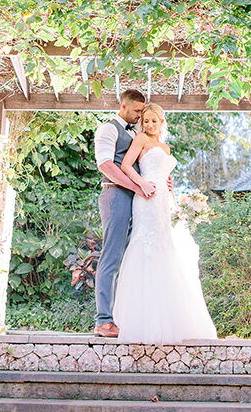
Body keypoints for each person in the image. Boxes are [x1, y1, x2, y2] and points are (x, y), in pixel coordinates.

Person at [112, 103, 217, 344]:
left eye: (153, 121)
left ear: (161, 122)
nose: (148, 125)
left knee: (166, 247)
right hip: (146, 197)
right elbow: (126, 166)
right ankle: (143, 321)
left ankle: (170, 317)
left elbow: (165, 174)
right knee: (146, 245)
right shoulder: (140, 139)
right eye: (145, 121)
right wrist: (143, 184)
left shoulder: (166, 147)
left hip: (163, 201)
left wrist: (171, 192)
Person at [92, 89, 149, 338]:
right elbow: (106, 165)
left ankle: (123, 316)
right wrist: (136, 186)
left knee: (131, 258)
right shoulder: (108, 129)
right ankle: (103, 320)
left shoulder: (136, 132)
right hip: (115, 195)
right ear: (123, 106)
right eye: (137, 111)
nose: (140, 115)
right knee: (111, 257)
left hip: (134, 199)